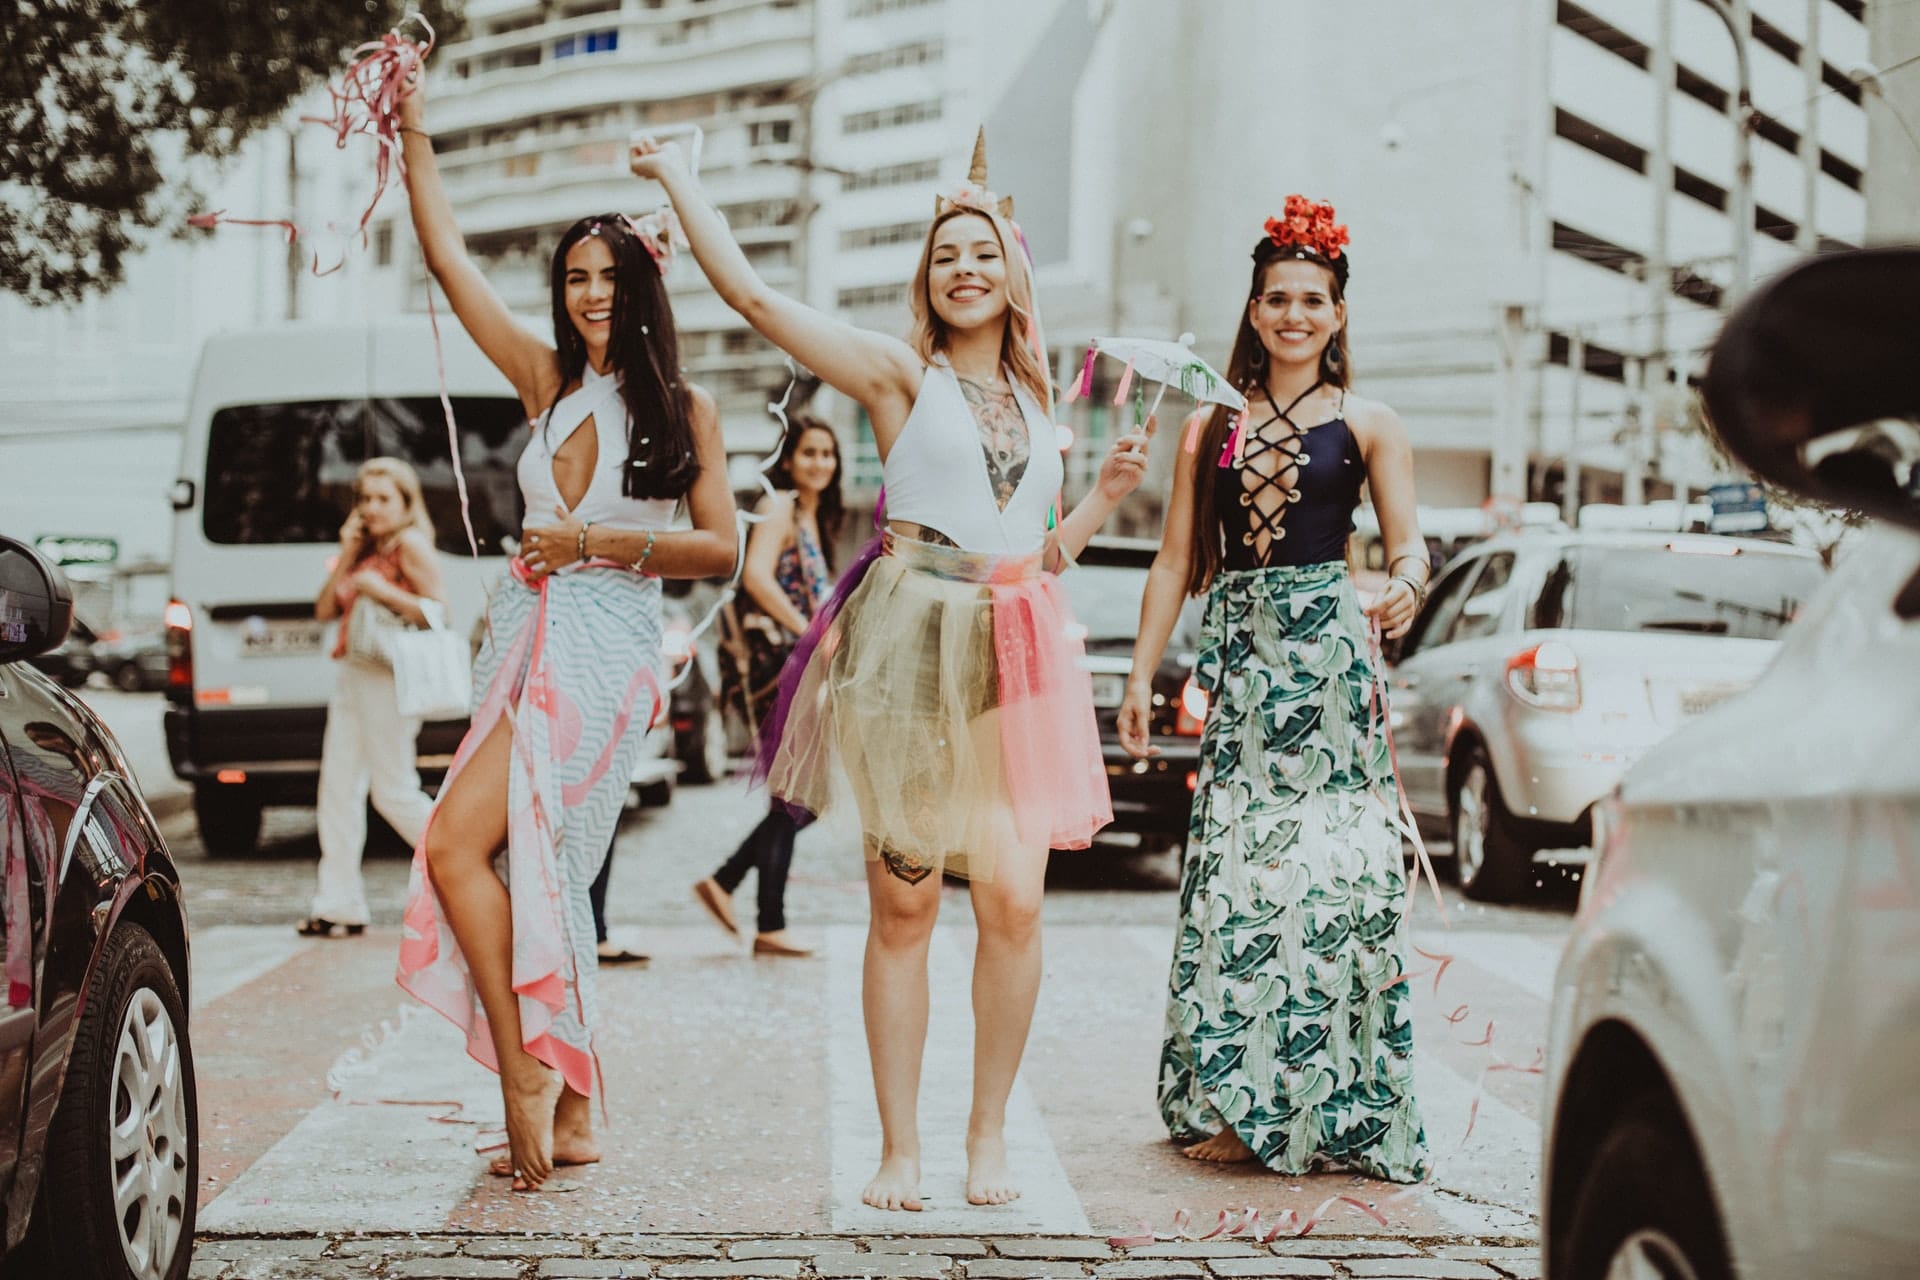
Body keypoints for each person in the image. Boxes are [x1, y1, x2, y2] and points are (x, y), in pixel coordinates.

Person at [633, 127, 1150, 1211]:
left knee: (1014, 903)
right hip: (913, 640)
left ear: (1014, 275)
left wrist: (1102, 492)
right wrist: (679, 178)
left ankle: (988, 1134)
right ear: (927, 277)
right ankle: (900, 1147)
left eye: (984, 251)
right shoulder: (895, 372)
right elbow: (761, 303)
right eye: (945, 252)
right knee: (904, 909)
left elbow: (1040, 547)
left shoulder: (1042, 402)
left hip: (1020, 638)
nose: (964, 266)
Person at [391, 73, 737, 1192]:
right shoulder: (545, 383)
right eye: (576, 279)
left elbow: (721, 550)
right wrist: (411, 123)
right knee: (538, 867)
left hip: (607, 648)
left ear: (644, 286)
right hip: (524, 638)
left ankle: (526, 1076)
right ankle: (573, 1098)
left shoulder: (685, 412)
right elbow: (448, 261)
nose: (592, 294)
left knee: (467, 848)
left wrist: (592, 542)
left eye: (610, 277)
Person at [1118, 198, 1432, 1182]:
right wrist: (1139, 673)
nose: (1293, 313)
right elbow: (1176, 562)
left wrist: (1408, 585)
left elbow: (1412, 542)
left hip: (1331, 674)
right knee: (1239, 886)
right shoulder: (1207, 423)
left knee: (1333, 888)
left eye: (1312, 299)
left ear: (1338, 315)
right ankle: (1237, 1098)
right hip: (1244, 674)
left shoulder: (1372, 424)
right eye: (1276, 298)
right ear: (1253, 312)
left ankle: (1329, 1106)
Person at [695, 414, 845, 958]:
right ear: (788, 458)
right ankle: (768, 922)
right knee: (794, 796)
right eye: (809, 453)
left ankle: (728, 881)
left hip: (796, 665)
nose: (819, 464)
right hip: (776, 665)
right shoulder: (778, 506)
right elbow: (755, 577)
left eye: (828, 454)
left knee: (802, 797)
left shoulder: (808, 515)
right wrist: (809, 632)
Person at [303, 458, 445, 939]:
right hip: (352, 673)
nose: (372, 507)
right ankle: (337, 903)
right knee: (338, 788)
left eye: (384, 498)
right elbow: (323, 609)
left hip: (386, 677)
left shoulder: (410, 546)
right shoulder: (365, 549)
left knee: (392, 789)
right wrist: (347, 554)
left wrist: (382, 590)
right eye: (365, 498)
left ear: (407, 503)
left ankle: (465, 859)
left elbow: (438, 612)